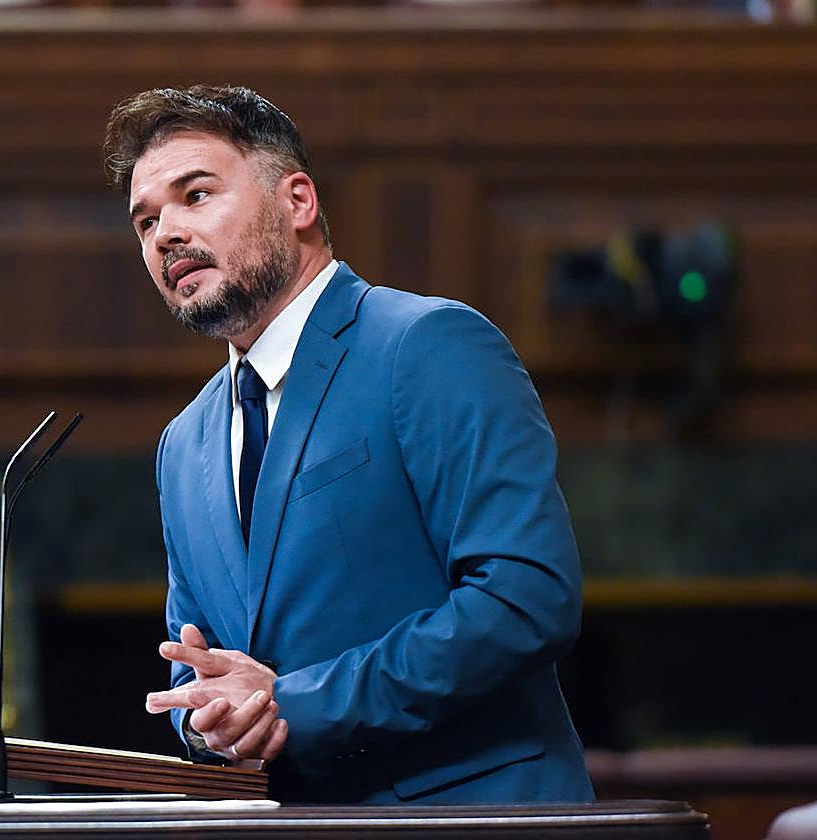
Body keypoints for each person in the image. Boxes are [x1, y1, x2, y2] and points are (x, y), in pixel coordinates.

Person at [103, 85, 594, 804]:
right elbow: (198, 668)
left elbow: (526, 599)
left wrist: (293, 707)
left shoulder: (423, 345)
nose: (165, 235)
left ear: (298, 202)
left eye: (196, 195)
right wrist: (210, 723)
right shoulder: (183, 444)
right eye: (145, 222)